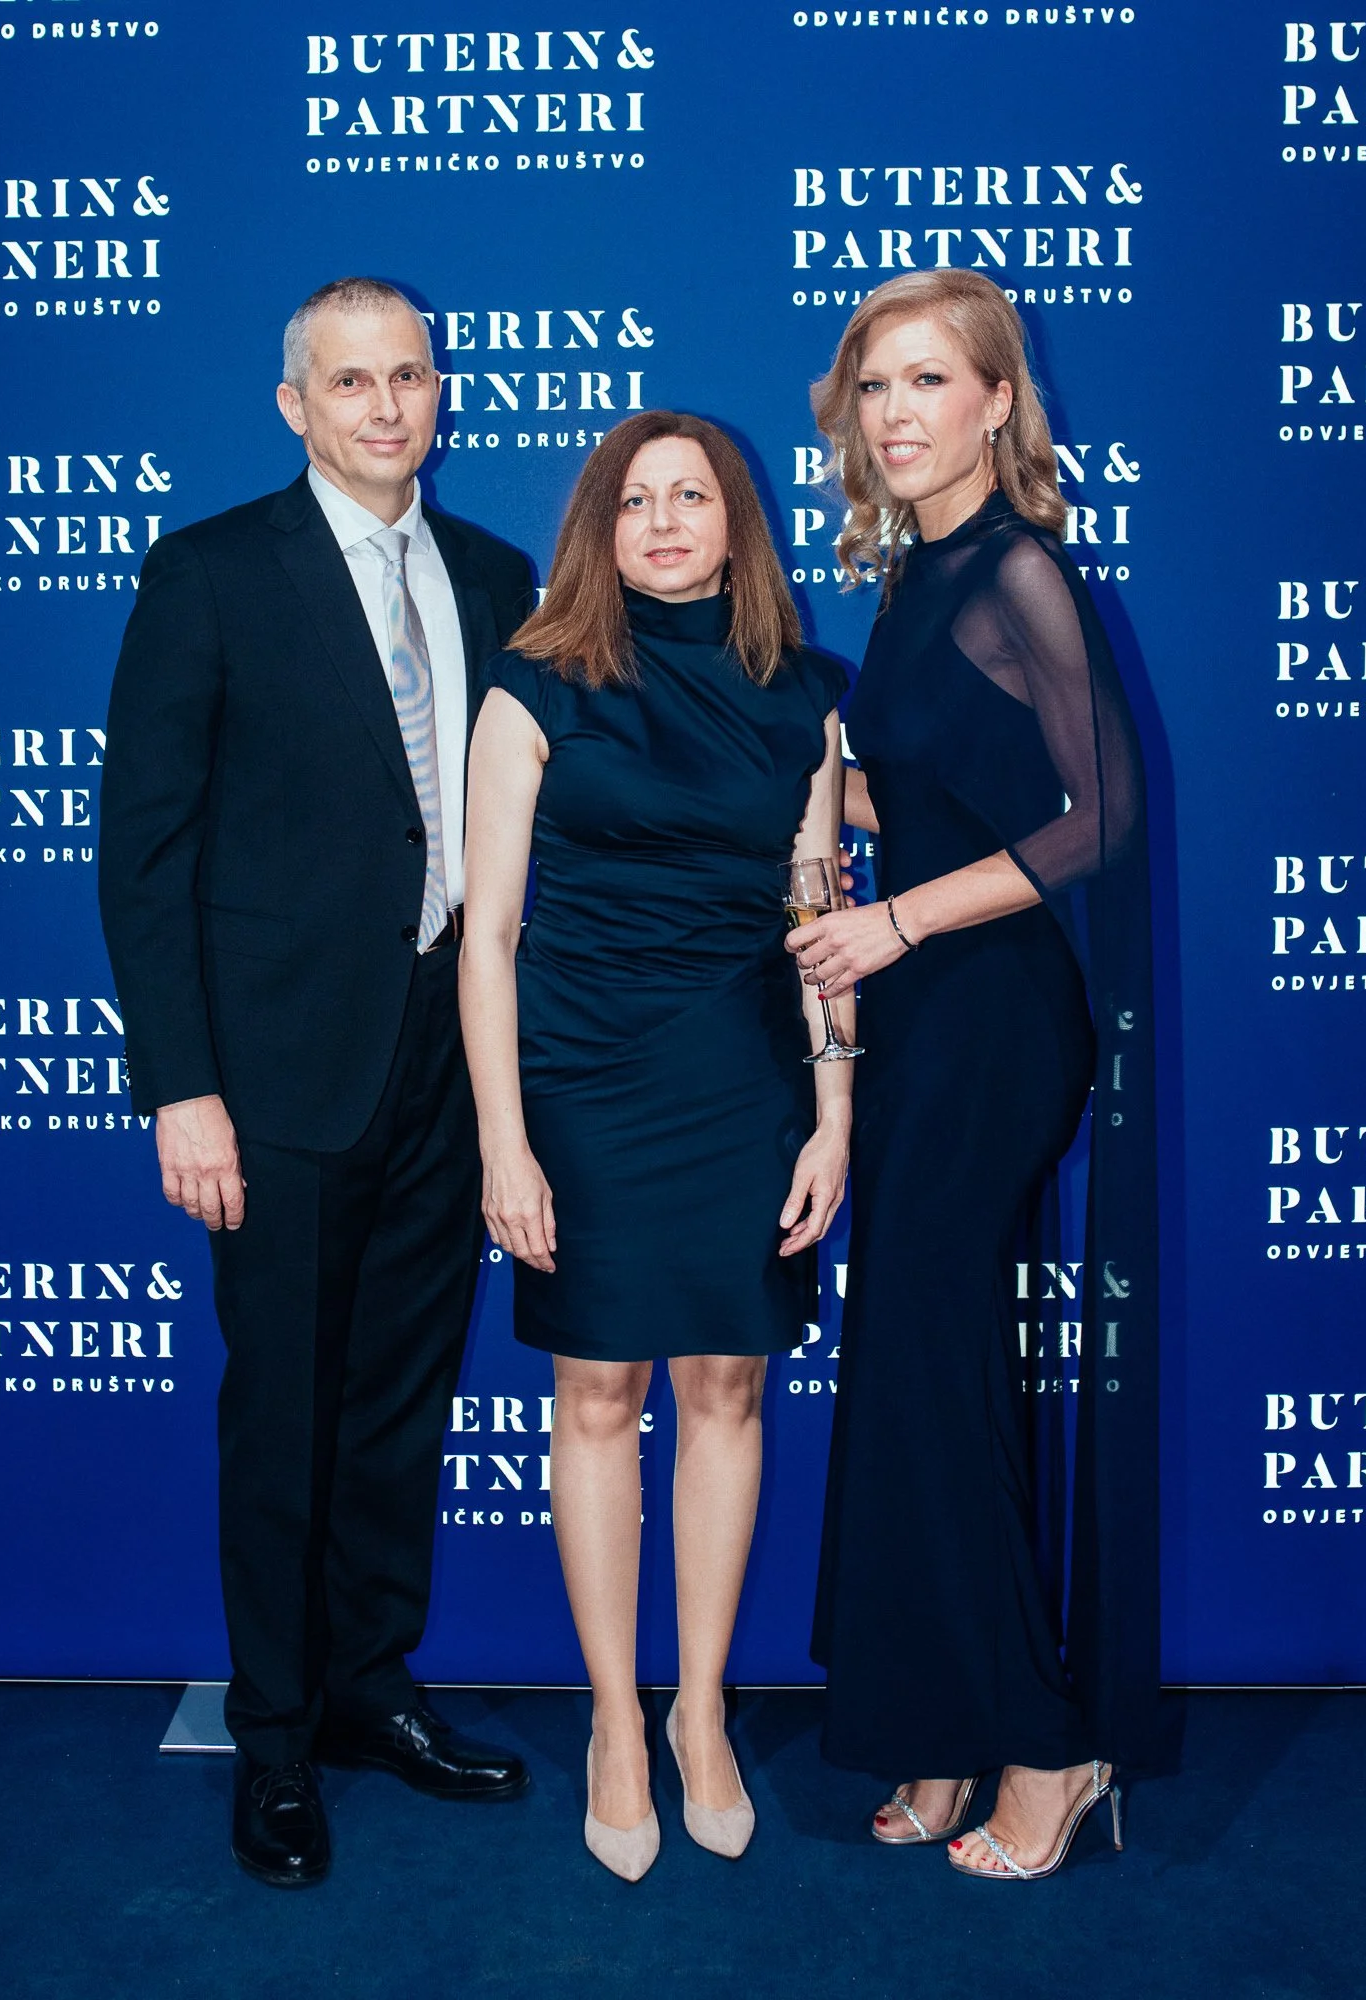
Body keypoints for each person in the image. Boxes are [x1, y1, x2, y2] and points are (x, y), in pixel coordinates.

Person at [99, 277, 536, 1889]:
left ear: (440, 391)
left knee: (400, 1400)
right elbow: (143, 852)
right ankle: (275, 1739)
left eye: (407, 375)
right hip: (276, 1075)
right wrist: (181, 1086)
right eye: (349, 382)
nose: (383, 406)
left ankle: (369, 1688)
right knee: (284, 1410)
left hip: (444, 1053)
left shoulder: (493, 576)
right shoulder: (212, 572)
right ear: (295, 405)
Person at [790, 270, 1159, 1880]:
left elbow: (1102, 817)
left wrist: (894, 922)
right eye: (875, 386)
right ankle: (938, 1721)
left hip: (995, 1022)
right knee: (914, 1378)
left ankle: (1048, 1747)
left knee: (937, 1379)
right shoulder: (908, 577)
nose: (896, 414)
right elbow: (934, 795)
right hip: (926, 1020)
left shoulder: (1018, 571)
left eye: (929, 381)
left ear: (999, 400)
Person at [459, 411, 853, 1880]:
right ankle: (616, 1722)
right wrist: (504, 1142)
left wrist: (834, 1115)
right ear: (600, 528)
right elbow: (487, 937)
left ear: (737, 522)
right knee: (597, 1392)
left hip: (743, 1077)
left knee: (727, 1388)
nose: (667, 520)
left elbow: (818, 915)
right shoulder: (536, 684)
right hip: (581, 1078)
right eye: (637, 500)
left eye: (694, 495)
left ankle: (699, 1714)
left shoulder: (802, 696)